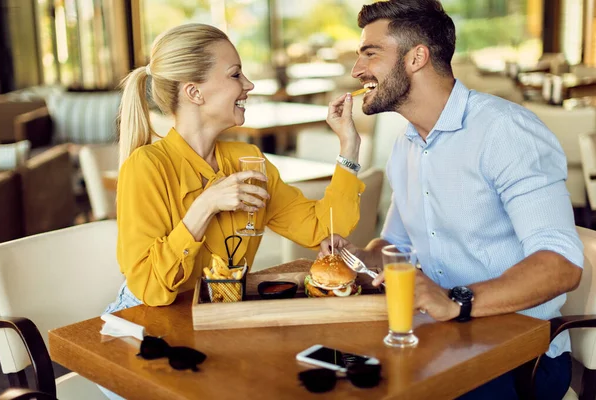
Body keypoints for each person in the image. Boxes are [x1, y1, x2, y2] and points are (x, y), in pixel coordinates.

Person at [320, 1, 583, 399]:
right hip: (441, 336)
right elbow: (396, 248)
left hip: (521, 353)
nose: (357, 70)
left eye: (370, 53)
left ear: (417, 57)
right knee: (330, 374)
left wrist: (455, 301)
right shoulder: (406, 144)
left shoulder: (504, 131)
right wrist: (356, 257)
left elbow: (561, 265)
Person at [106, 23, 365, 311]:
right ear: (194, 92)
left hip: (216, 314)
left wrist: (348, 146)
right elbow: (151, 290)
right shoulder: (146, 167)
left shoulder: (247, 160)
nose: (249, 84)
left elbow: (323, 228)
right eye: (235, 74)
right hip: (142, 321)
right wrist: (205, 206)